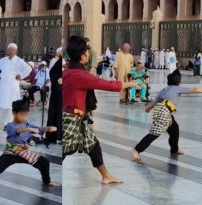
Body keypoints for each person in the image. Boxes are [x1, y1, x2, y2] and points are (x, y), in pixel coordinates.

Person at [63, 36, 137, 184]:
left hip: (78, 118)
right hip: (71, 119)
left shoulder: (67, 72)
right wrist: (130, 84)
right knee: (64, 149)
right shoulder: (80, 75)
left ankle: (106, 176)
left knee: (93, 145)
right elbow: (107, 85)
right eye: (87, 52)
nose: (89, 54)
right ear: (83, 56)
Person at [0, 98, 60, 190]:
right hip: (11, 152)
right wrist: (29, 130)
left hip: (24, 152)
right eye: (22, 115)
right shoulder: (10, 125)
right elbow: (18, 130)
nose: (24, 117)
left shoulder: (27, 124)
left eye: (26, 115)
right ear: (14, 113)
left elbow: (40, 128)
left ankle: (46, 181)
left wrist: (48, 128)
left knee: (44, 162)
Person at [131, 69, 202, 162]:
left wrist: (147, 110)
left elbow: (152, 105)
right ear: (179, 82)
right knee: (154, 134)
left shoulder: (163, 90)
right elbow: (195, 89)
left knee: (174, 129)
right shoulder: (177, 88)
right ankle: (136, 150)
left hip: (164, 112)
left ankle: (174, 149)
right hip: (164, 113)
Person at [0, 43, 31, 130]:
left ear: (15, 51)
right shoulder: (4, 60)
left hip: (13, 87)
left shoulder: (19, 61)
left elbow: (29, 69)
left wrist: (21, 75)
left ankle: (8, 124)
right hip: (3, 87)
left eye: (11, 50)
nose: (9, 51)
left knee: (11, 106)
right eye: (8, 49)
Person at [46, 54, 62, 144]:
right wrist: (58, 79)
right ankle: (55, 135)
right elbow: (53, 74)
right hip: (58, 94)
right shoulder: (57, 64)